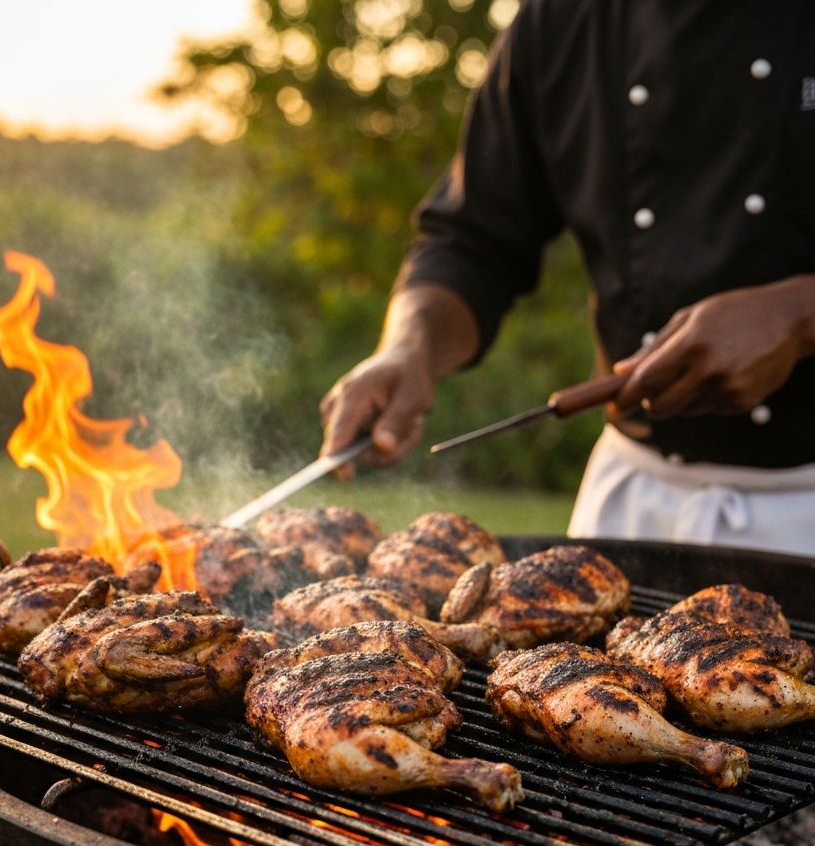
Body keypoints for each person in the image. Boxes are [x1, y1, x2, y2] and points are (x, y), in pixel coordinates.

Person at [319, 0, 815, 557]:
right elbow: (472, 241)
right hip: (634, 502)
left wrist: (798, 313)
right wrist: (408, 350)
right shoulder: (560, 18)